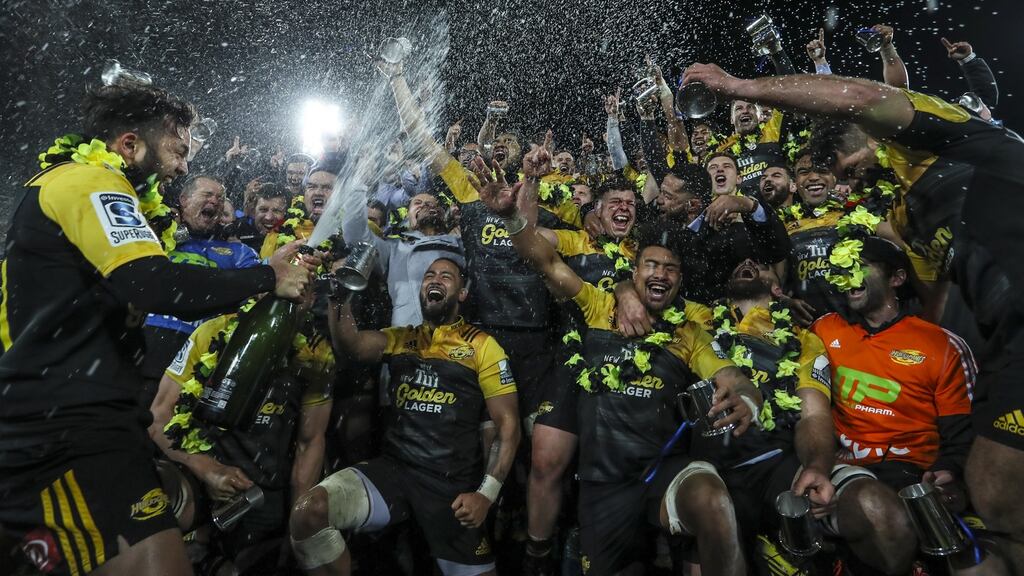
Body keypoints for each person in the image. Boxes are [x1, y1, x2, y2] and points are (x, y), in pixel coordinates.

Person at [681, 65, 1024, 568]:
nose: (849, 180)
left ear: (870, 132)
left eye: (846, 166)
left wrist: (741, 89)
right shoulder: (908, 217)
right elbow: (937, 307)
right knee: (993, 491)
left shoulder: (942, 136)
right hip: (1011, 343)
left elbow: (860, 95)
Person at [0, 82, 311, 576]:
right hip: (61, 428)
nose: (184, 166)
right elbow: (155, 286)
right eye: (178, 150)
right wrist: (266, 277)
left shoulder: (89, 187)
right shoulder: (89, 182)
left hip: (90, 419)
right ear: (129, 144)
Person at [478, 161, 759, 575]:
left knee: (712, 502)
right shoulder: (598, 301)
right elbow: (545, 261)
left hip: (661, 468)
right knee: (549, 466)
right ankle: (539, 553)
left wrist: (748, 396)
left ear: (682, 281)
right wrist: (512, 218)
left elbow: (730, 373)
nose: (660, 273)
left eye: (670, 269)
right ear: (633, 271)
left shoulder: (690, 329)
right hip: (602, 471)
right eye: (651, 267)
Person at [290, 257, 520, 576]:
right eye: (429, 276)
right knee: (308, 513)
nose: (435, 280)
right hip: (394, 472)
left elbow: (509, 428)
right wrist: (338, 299)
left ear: (463, 293)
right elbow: (351, 346)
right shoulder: (402, 338)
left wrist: (486, 495)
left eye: (446, 276)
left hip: (450, 487)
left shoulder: (483, 346)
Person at [701, 258, 917, 574]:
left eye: (760, 264)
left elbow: (813, 415)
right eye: (740, 262)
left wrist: (816, 466)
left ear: (777, 287)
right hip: (706, 467)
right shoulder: (694, 320)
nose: (747, 262)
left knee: (882, 513)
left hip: (776, 464)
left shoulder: (804, 340)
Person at [148, 287, 334, 571]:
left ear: (309, 302)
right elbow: (158, 417)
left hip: (261, 488)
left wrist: (297, 527)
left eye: (298, 296)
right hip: (195, 472)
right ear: (259, 294)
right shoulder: (213, 332)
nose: (285, 305)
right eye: (278, 294)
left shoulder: (316, 354)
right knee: (160, 505)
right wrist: (205, 467)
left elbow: (311, 442)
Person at [140, 175, 263, 400]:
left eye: (220, 197)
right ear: (184, 200)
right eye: (207, 194)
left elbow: (259, 288)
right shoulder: (155, 237)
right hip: (147, 340)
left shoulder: (239, 252)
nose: (215, 201)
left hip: (199, 349)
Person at [342, 185, 463, 327]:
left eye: (430, 204)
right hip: (405, 340)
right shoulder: (394, 248)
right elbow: (355, 235)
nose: (424, 206)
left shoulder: (461, 243)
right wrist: (359, 187)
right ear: (408, 215)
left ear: (442, 213)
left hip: (454, 340)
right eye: (418, 203)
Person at [782, 151, 847, 319]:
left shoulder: (859, 212)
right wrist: (785, 301)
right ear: (794, 183)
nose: (813, 177)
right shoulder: (783, 225)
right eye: (804, 172)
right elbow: (774, 279)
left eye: (822, 170)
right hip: (811, 328)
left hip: (861, 322)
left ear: (835, 177)